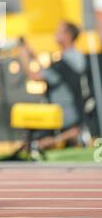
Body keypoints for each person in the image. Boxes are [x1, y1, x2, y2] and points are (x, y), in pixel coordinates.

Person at [18, 21, 86, 152]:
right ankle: (72, 134)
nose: (55, 34)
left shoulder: (64, 63)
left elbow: (35, 76)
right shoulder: (77, 58)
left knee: (32, 145)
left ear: (68, 35)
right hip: (76, 113)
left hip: (63, 116)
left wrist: (24, 57)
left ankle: (68, 135)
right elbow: (54, 74)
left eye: (59, 31)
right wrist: (35, 56)